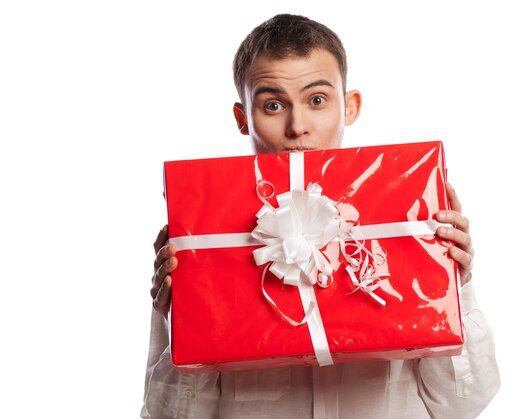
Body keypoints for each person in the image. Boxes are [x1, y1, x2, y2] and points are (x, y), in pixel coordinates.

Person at [142, 13, 500, 419]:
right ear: (243, 119)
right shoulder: (203, 235)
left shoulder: (408, 215)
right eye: (273, 105)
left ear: (349, 107)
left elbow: (463, 404)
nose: (298, 127)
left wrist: (456, 286)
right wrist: (183, 318)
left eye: (316, 100)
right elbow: (169, 416)